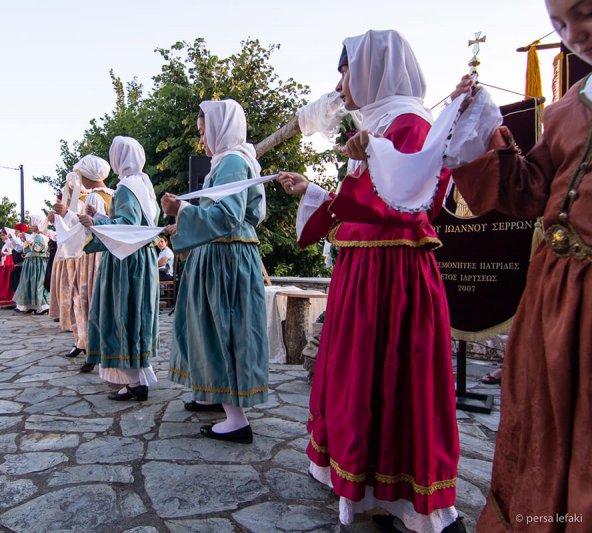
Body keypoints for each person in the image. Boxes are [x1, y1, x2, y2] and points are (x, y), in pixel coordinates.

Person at [276, 30, 461, 533]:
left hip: (394, 278)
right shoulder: (376, 124)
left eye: (345, 70)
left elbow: (413, 198)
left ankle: (407, 499)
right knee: (358, 381)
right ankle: (367, 488)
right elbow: (351, 208)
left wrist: (372, 155)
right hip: (362, 276)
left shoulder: (411, 123)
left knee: (395, 381)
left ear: (373, 70)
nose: (340, 82)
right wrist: (312, 190)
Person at [445, 2, 592, 529]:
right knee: (544, 429)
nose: (575, 35)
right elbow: (529, 192)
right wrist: (481, 126)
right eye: (559, 26)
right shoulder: (569, 109)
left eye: (585, 13)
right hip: (554, 297)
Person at [161, 100, 268, 445]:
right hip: (221, 257)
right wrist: (185, 221)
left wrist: (183, 209)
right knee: (210, 328)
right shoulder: (228, 163)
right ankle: (210, 393)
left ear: (221, 128)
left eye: (204, 131)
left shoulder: (233, 163)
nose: (202, 139)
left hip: (226, 261)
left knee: (225, 330)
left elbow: (226, 218)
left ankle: (237, 420)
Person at [79, 136, 160, 398]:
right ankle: (139, 378)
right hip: (143, 259)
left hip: (126, 261)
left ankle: (134, 384)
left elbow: (125, 227)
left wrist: (92, 225)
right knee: (137, 315)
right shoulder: (143, 185)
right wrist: (100, 217)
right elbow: (132, 222)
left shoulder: (126, 187)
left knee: (122, 314)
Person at [53, 157, 114, 360]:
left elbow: (86, 229)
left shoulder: (94, 198)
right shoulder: (112, 194)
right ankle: (89, 342)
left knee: (85, 299)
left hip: (92, 253)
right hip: (107, 252)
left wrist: (66, 214)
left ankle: (89, 343)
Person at [13, 213, 51, 314]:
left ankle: (42, 306)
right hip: (31, 263)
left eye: (31, 222)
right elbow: (25, 250)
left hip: (36, 264)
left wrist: (28, 244)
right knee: (28, 283)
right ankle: (28, 305)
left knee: (37, 283)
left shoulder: (39, 236)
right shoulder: (34, 236)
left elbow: (37, 249)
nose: (29, 225)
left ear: (37, 223)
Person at [0, 231, 16, 308]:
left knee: (8, 284)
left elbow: (12, 251)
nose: (2, 237)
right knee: (3, 284)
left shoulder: (10, 243)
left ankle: (10, 301)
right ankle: (4, 301)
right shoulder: (4, 245)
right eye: (2, 235)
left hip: (9, 265)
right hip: (3, 265)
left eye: (3, 235)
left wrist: (5, 254)